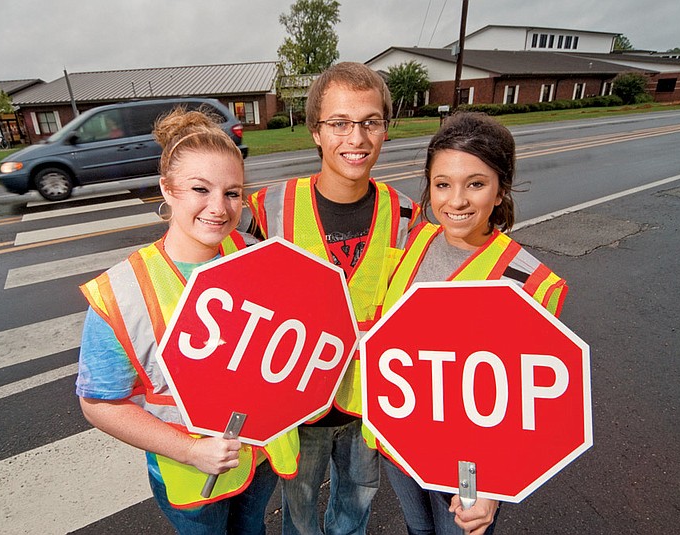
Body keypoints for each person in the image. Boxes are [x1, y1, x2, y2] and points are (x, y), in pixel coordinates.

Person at [76, 108, 299, 535]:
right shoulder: (122, 291)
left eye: (232, 193)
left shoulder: (259, 258)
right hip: (191, 473)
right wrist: (190, 451)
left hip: (262, 457)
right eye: (201, 189)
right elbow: (98, 404)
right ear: (168, 189)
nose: (219, 208)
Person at [372, 111, 569, 535]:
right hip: (401, 448)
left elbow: (532, 404)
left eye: (475, 184)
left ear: (500, 191)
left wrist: (496, 489)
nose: (456, 200)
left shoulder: (527, 280)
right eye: (443, 184)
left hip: (468, 470)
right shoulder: (415, 240)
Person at [247, 62, 419, 535]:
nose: (356, 137)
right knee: (298, 508)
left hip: (371, 403)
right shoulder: (271, 208)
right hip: (298, 403)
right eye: (339, 123)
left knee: (357, 502)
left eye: (370, 122)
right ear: (315, 132)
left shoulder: (407, 213)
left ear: (386, 128)